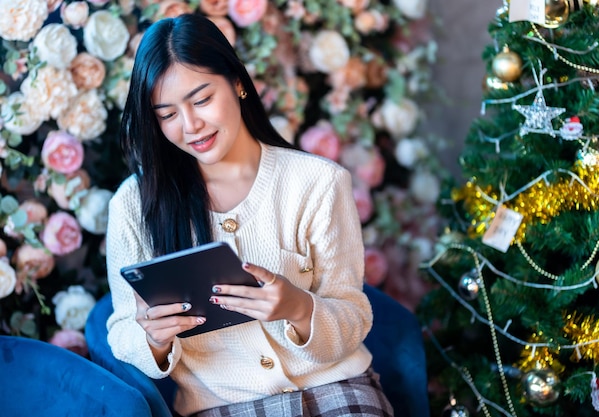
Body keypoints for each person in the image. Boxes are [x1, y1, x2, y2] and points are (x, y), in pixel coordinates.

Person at [105, 13, 393, 417]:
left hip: (333, 387)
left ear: (238, 83)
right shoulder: (134, 205)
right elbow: (122, 329)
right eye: (167, 114)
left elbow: (353, 315)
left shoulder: (318, 183)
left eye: (202, 99)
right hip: (222, 406)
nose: (190, 126)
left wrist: (298, 308)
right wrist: (153, 338)